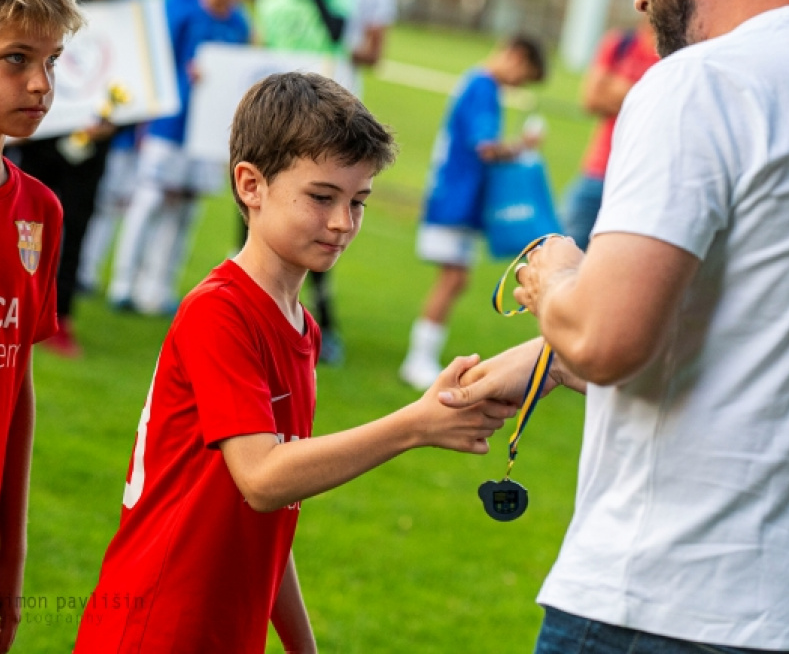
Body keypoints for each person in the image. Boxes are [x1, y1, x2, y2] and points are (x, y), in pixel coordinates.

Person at [441, 0, 789, 651]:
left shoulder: (702, 84)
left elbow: (606, 338)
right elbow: (754, 331)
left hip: (661, 601)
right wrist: (542, 359)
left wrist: (558, 276)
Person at [72, 72, 513, 654]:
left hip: (223, 631)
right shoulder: (220, 312)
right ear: (251, 185)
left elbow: (270, 514)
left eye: (358, 202)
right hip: (156, 627)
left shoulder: (301, 325)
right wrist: (416, 425)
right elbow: (262, 478)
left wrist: (302, 646)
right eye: (322, 197)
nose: (343, 223)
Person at [0, 0, 83, 650]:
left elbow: (18, 383)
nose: (40, 85)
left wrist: (14, 553)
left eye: (51, 62)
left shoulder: (40, 212)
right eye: (16, 60)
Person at [16, 0, 141, 357]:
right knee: (24, 222)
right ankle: (19, 308)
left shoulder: (132, 13)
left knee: (76, 226)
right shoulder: (65, 0)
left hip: (95, 141)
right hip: (45, 132)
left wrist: (116, 118)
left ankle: (60, 317)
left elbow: (139, 84)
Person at [107, 0, 250, 315]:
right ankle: (124, 282)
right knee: (150, 197)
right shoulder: (178, 1)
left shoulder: (238, 21)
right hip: (168, 123)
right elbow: (152, 59)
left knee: (185, 209)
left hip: (207, 132)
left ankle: (158, 287)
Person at [399, 35, 547, 391]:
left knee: (456, 278)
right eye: (523, 76)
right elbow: (486, 149)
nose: (518, 85)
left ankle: (422, 355)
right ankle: (417, 359)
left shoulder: (477, 83)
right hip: (456, 198)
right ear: (516, 56)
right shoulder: (484, 87)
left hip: (457, 195)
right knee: (452, 278)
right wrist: (522, 146)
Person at [255, 0, 354, 365]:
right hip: (275, 125)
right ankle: (256, 316)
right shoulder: (271, 3)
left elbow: (338, 34)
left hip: (318, 125)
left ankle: (324, 324)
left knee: (316, 223)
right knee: (260, 220)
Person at [560, 16, 658, 250]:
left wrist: (621, 89)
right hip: (599, 169)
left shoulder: (680, 54)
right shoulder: (620, 43)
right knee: (565, 250)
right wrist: (646, 94)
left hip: (643, 178)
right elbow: (591, 100)